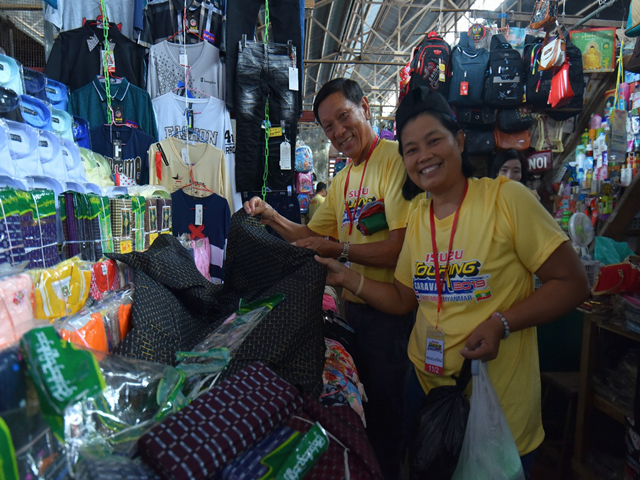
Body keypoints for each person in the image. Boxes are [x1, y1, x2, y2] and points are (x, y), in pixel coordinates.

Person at [315, 87, 590, 479]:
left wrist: (502, 323)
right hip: (423, 387)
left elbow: (573, 282)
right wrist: (344, 276)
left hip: (496, 402)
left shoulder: (506, 201)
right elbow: (402, 298)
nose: (424, 156)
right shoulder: (419, 217)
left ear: (459, 140)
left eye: (434, 141)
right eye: (411, 149)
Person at [245, 78, 415, 480]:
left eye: (343, 117)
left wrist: (340, 251)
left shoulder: (395, 161)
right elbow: (310, 235)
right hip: (354, 310)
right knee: (364, 413)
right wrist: (270, 216)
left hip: (392, 315)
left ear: (365, 108)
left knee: (388, 421)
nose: (338, 131)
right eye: (328, 126)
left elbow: (398, 247)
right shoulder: (343, 180)